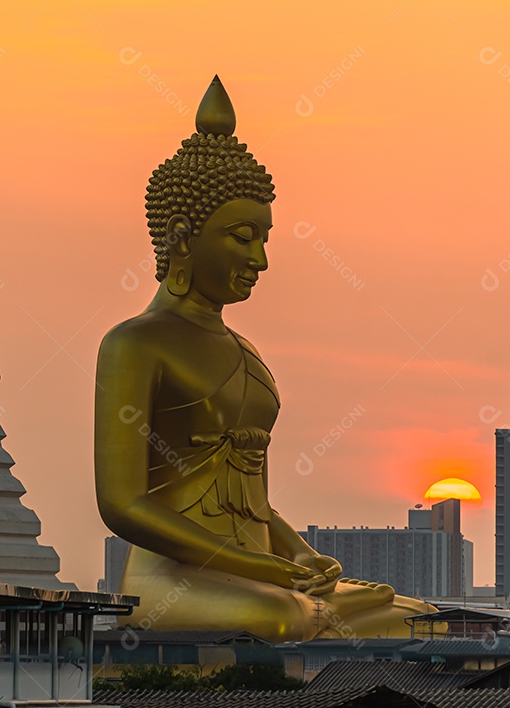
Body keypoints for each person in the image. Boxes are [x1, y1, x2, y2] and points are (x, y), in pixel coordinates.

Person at [94, 77, 435, 642]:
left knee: (422, 618)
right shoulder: (135, 343)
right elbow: (123, 504)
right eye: (243, 237)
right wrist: (267, 571)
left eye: (265, 238)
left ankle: (314, 605)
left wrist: (304, 556)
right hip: (174, 580)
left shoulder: (244, 352)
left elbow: (255, 503)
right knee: (282, 617)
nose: (261, 259)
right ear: (182, 236)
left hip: (263, 574)